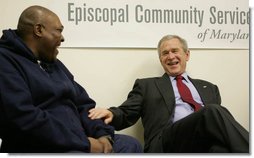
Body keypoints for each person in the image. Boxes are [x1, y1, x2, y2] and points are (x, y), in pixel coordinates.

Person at [0, 5, 143, 153]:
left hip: (77, 141)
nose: (62, 38)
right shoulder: (5, 61)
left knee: (130, 145)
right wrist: (85, 143)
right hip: (41, 147)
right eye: (59, 30)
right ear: (39, 30)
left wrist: (103, 135)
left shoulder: (54, 63)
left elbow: (84, 105)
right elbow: (23, 119)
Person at [89, 34, 249, 153]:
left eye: (175, 51)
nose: (170, 56)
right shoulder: (147, 85)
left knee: (221, 150)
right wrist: (111, 112)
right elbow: (126, 112)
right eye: (165, 53)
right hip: (166, 143)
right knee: (212, 111)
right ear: (160, 60)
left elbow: (218, 126)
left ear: (187, 55)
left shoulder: (210, 88)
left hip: (201, 143)